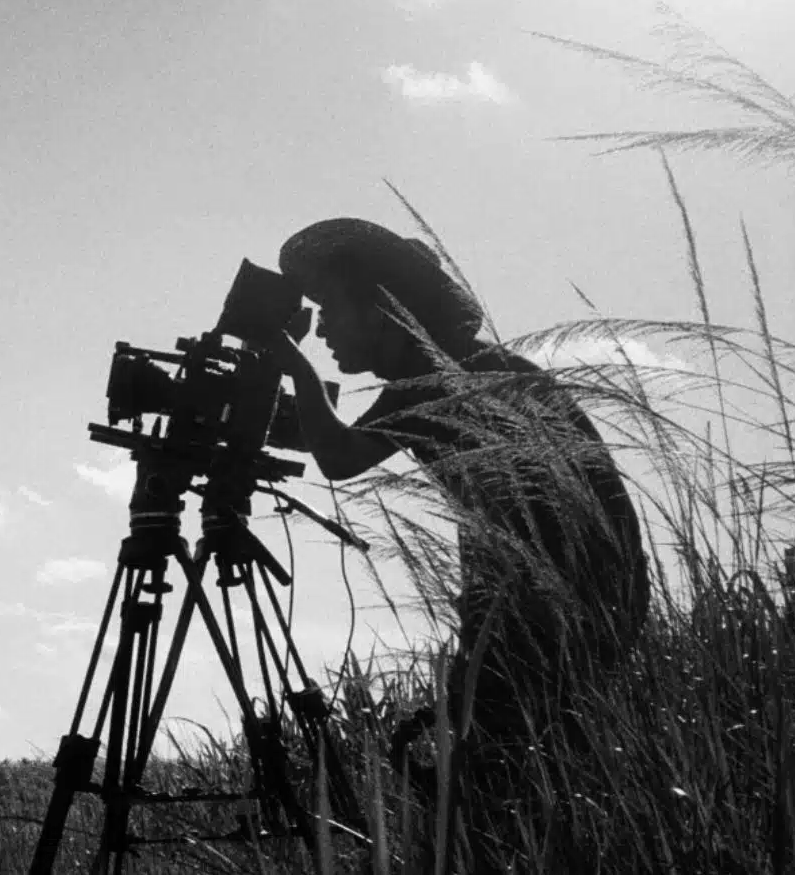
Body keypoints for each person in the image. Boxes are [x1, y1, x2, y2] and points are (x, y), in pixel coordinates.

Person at [257, 218, 650, 796]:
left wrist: (292, 365)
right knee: (538, 776)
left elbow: (339, 458)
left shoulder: (434, 380)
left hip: (543, 610)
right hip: (579, 597)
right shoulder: (465, 366)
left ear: (382, 311)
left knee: (503, 790)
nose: (324, 331)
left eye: (333, 310)